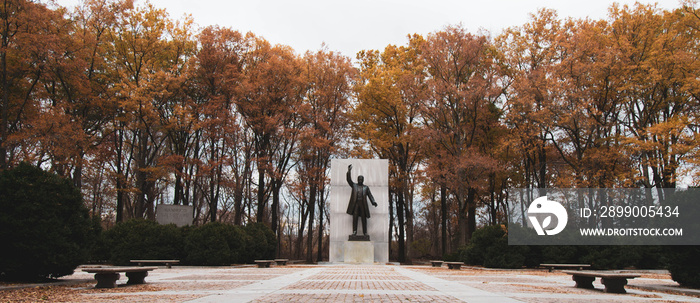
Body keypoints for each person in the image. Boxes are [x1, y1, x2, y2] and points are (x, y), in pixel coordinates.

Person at [346, 164, 378, 236]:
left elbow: (370, 195)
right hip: (355, 204)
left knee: (364, 218)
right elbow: (349, 180)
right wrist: (349, 171)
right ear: (357, 180)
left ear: (363, 180)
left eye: (361, 179)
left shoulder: (366, 187)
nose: (360, 180)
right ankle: (354, 231)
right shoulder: (354, 185)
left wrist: (373, 202)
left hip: (363, 204)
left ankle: (365, 232)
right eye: (359, 179)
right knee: (355, 218)